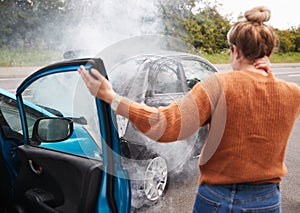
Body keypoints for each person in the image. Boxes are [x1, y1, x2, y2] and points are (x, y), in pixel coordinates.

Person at [78, 6, 300, 212]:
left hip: (218, 198)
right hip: (268, 200)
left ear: (235, 50)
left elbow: (164, 126)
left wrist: (111, 97)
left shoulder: (218, 85)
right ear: (268, 53)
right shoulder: (292, 93)